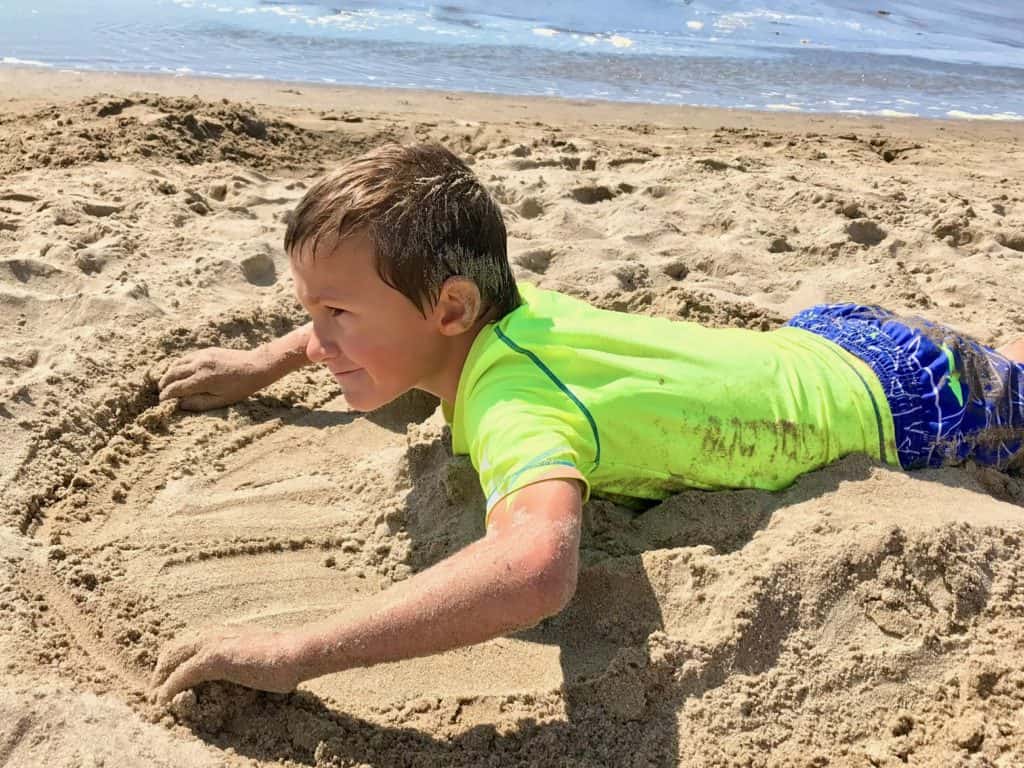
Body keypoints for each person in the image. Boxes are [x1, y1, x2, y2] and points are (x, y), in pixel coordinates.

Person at [151, 142, 1024, 704]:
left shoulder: (517, 403)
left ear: (451, 308)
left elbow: (534, 571)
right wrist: (269, 360)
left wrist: (292, 649)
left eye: (336, 313)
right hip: (837, 335)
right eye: (311, 311)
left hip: (920, 410)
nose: (321, 334)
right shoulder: (507, 309)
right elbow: (383, 329)